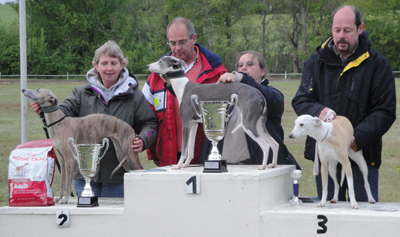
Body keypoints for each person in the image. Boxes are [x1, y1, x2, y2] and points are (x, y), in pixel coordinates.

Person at [292, 5, 396, 202]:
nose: (341, 35)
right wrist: (318, 111)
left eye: (347, 30)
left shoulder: (378, 64)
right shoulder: (314, 62)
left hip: (362, 153)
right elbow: (301, 100)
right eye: (336, 30)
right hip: (325, 152)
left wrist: (354, 137)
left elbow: (385, 111)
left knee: (363, 220)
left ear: (360, 28)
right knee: (328, 220)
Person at [31, 40, 158, 197]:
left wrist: (144, 139)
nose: (109, 68)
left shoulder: (135, 95)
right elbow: (62, 113)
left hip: (118, 179)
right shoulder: (81, 92)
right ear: (96, 66)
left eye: (114, 63)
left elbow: (150, 124)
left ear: (122, 65)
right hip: (83, 175)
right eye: (104, 63)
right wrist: (46, 110)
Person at [142, 17, 227, 167]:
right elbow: (147, 117)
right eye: (172, 43)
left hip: (206, 154)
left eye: (182, 42)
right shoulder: (156, 77)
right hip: (168, 155)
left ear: (193, 38)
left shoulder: (216, 72)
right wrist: (153, 152)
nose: (177, 48)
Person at [201, 50, 300, 170]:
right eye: (240, 65)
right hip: (225, 169)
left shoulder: (271, 94)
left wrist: (242, 79)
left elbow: (276, 103)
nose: (243, 68)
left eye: (250, 64)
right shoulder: (228, 99)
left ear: (262, 72)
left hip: (257, 168)